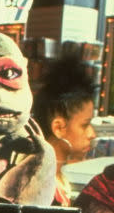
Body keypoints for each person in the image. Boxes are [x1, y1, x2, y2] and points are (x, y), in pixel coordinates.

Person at [32, 54, 97, 205]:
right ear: (59, 128)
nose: (92, 134)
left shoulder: (56, 178)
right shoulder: (42, 188)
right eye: (85, 125)